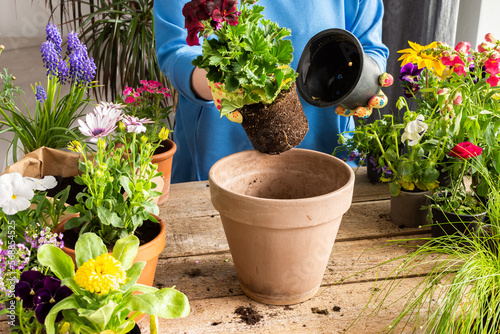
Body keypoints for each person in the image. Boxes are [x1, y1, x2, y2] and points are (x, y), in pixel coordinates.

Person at [154, 0, 389, 183]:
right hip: (216, 154)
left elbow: (369, 44)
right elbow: (174, 50)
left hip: (328, 149)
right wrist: (221, 83)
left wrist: (367, 81)